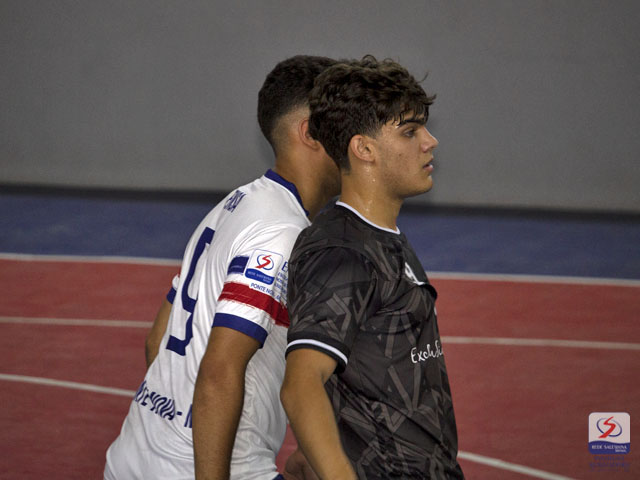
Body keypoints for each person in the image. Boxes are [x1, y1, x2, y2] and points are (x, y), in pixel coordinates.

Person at [104, 55, 339, 480]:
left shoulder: (234, 204)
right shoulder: (281, 234)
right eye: (346, 124)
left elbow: (157, 339)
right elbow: (218, 373)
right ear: (310, 133)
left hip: (131, 459)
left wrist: (171, 431)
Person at [280, 56, 465, 479]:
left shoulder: (378, 236)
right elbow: (301, 385)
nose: (430, 141)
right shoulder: (343, 253)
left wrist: (315, 449)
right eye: (410, 131)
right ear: (363, 149)